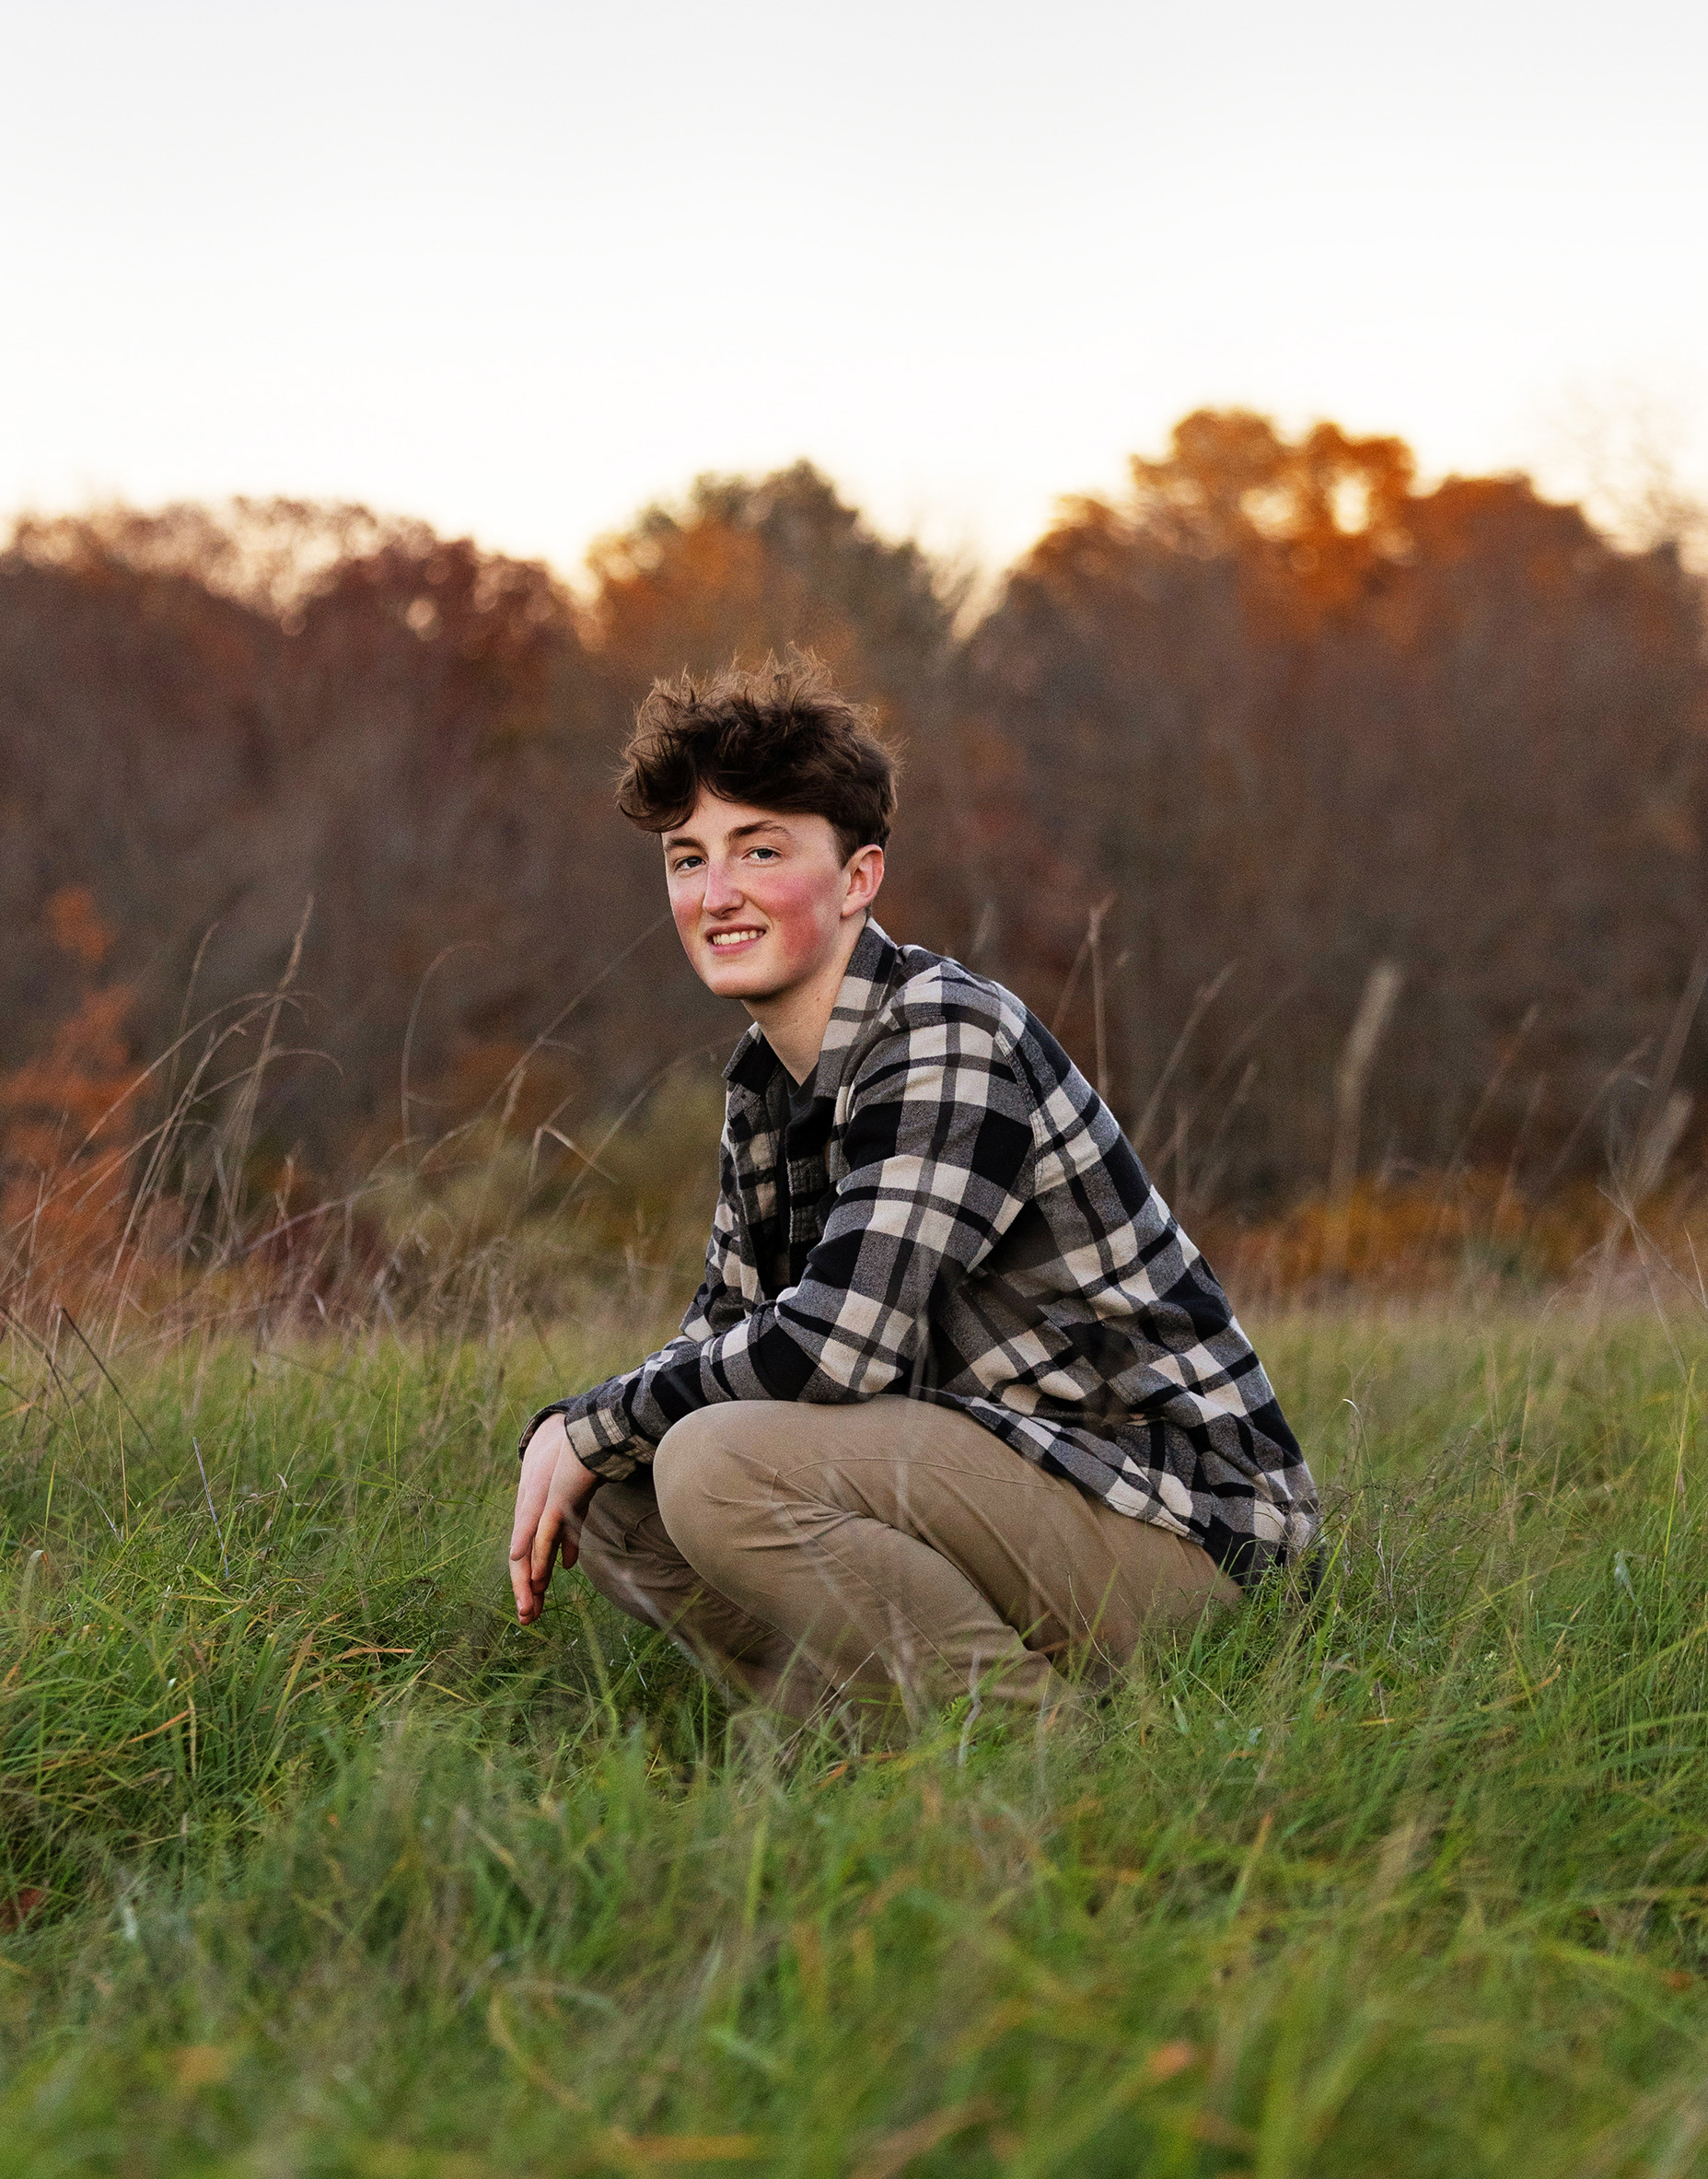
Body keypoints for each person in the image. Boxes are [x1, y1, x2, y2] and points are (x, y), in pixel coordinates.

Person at [509, 657, 1319, 1733]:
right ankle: (862, 1737)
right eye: (688, 859)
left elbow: (837, 1349)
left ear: (858, 879)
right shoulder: (767, 1087)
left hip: (1190, 1537)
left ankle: (1038, 1748)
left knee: (703, 1461)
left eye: (761, 850)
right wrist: (581, 1435)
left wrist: (594, 1422)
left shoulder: (945, 1035)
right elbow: (723, 1333)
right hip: (1012, 1497)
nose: (715, 894)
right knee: (620, 1494)